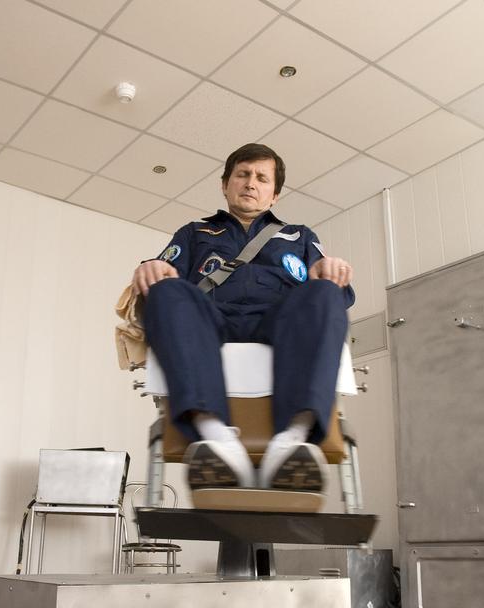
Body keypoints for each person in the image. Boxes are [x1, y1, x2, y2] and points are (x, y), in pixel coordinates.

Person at [132, 143, 354, 493]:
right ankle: (217, 439)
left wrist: (329, 270)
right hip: (211, 323)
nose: (251, 183)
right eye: (243, 174)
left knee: (326, 290)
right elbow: (164, 280)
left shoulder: (300, 236)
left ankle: (292, 441)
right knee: (163, 287)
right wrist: (155, 267)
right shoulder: (195, 232)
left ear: (274, 195)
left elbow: (336, 296)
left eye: (262, 178)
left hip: (279, 324)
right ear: (225, 184)